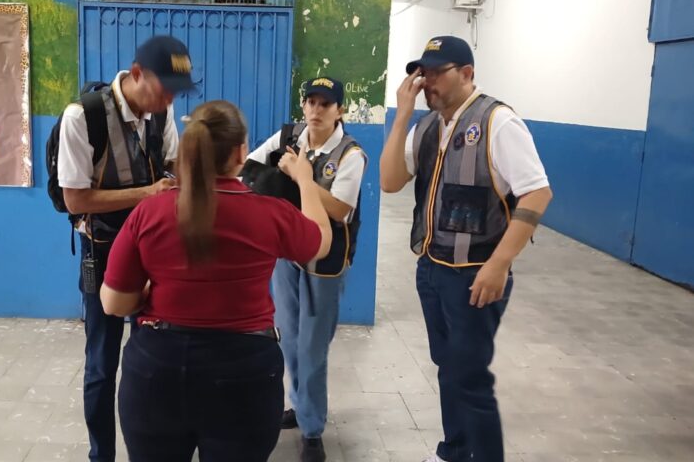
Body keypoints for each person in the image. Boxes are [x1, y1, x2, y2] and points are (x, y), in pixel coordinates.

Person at [99, 100, 333, 462]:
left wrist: (152, 289)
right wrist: (304, 179)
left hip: (156, 371)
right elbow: (320, 240)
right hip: (244, 374)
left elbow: (113, 304)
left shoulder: (150, 212)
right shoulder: (269, 214)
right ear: (241, 153)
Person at [379, 36, 553, 462]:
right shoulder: (426, 127)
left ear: (468, 74)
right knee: (449, 369)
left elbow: (537, 194)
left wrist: (499, 265)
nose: (427, 82)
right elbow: (389, 181)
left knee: (471, 379)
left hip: (475, 275)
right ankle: (454, 451)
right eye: (423, 73)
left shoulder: (498, 122)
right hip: (433, 269)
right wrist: (402, 116)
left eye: (437, 72)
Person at [57, 35, 193, 462]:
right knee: (101, 364)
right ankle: (102, 455)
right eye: (162, 87)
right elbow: (75, 199)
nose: (169, 98)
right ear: (136, 74)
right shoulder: (83, 117)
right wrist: (149, 193)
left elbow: (173, 164)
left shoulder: (161, 111)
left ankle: (150, 448)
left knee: (153, 353)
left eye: (175, 90)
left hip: (154, 249)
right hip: (104, 249)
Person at [246, 78, 367, 462]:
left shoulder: (350, 155)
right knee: (289, 340)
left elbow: (339, 209)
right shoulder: (289, 136)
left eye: (325, 104)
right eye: (310, 102)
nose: (315, 110)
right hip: (288, 255)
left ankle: (312, 429)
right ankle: (299, 406)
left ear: (340, 111)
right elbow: (251, 164)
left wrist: (300, 177)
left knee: (313, 348)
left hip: (326, 264)